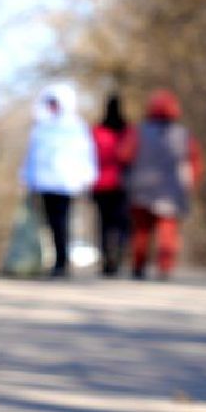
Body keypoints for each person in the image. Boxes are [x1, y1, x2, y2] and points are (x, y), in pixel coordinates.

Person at [19, 82, 95, 277]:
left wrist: (86, 177)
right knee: (49, 222)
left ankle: (61, 261)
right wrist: (26, 177)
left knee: (62, 221)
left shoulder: (76, 127)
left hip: (66, 182)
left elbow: (86, 154)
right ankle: (52, 258)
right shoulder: (41, 127)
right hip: (44, 183)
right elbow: (32, 156)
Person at [126, 89, 203, 280]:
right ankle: (165, 267)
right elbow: (195, 163)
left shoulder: (138, 131)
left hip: (141, 189)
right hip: (171, 191)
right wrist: (190, 184)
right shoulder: (184, 135)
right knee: (167, 232)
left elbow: (124, 155)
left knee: (141, 231)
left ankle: (138, 267)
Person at [90, 94, 133, 276]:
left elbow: (91, 156)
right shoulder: (128, 131)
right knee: (121, 224)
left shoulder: (97, 132)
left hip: (102, 184)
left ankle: (108, 259)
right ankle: (117, 256)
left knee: (104, 224)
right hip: (122, 184)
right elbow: (129, 156)